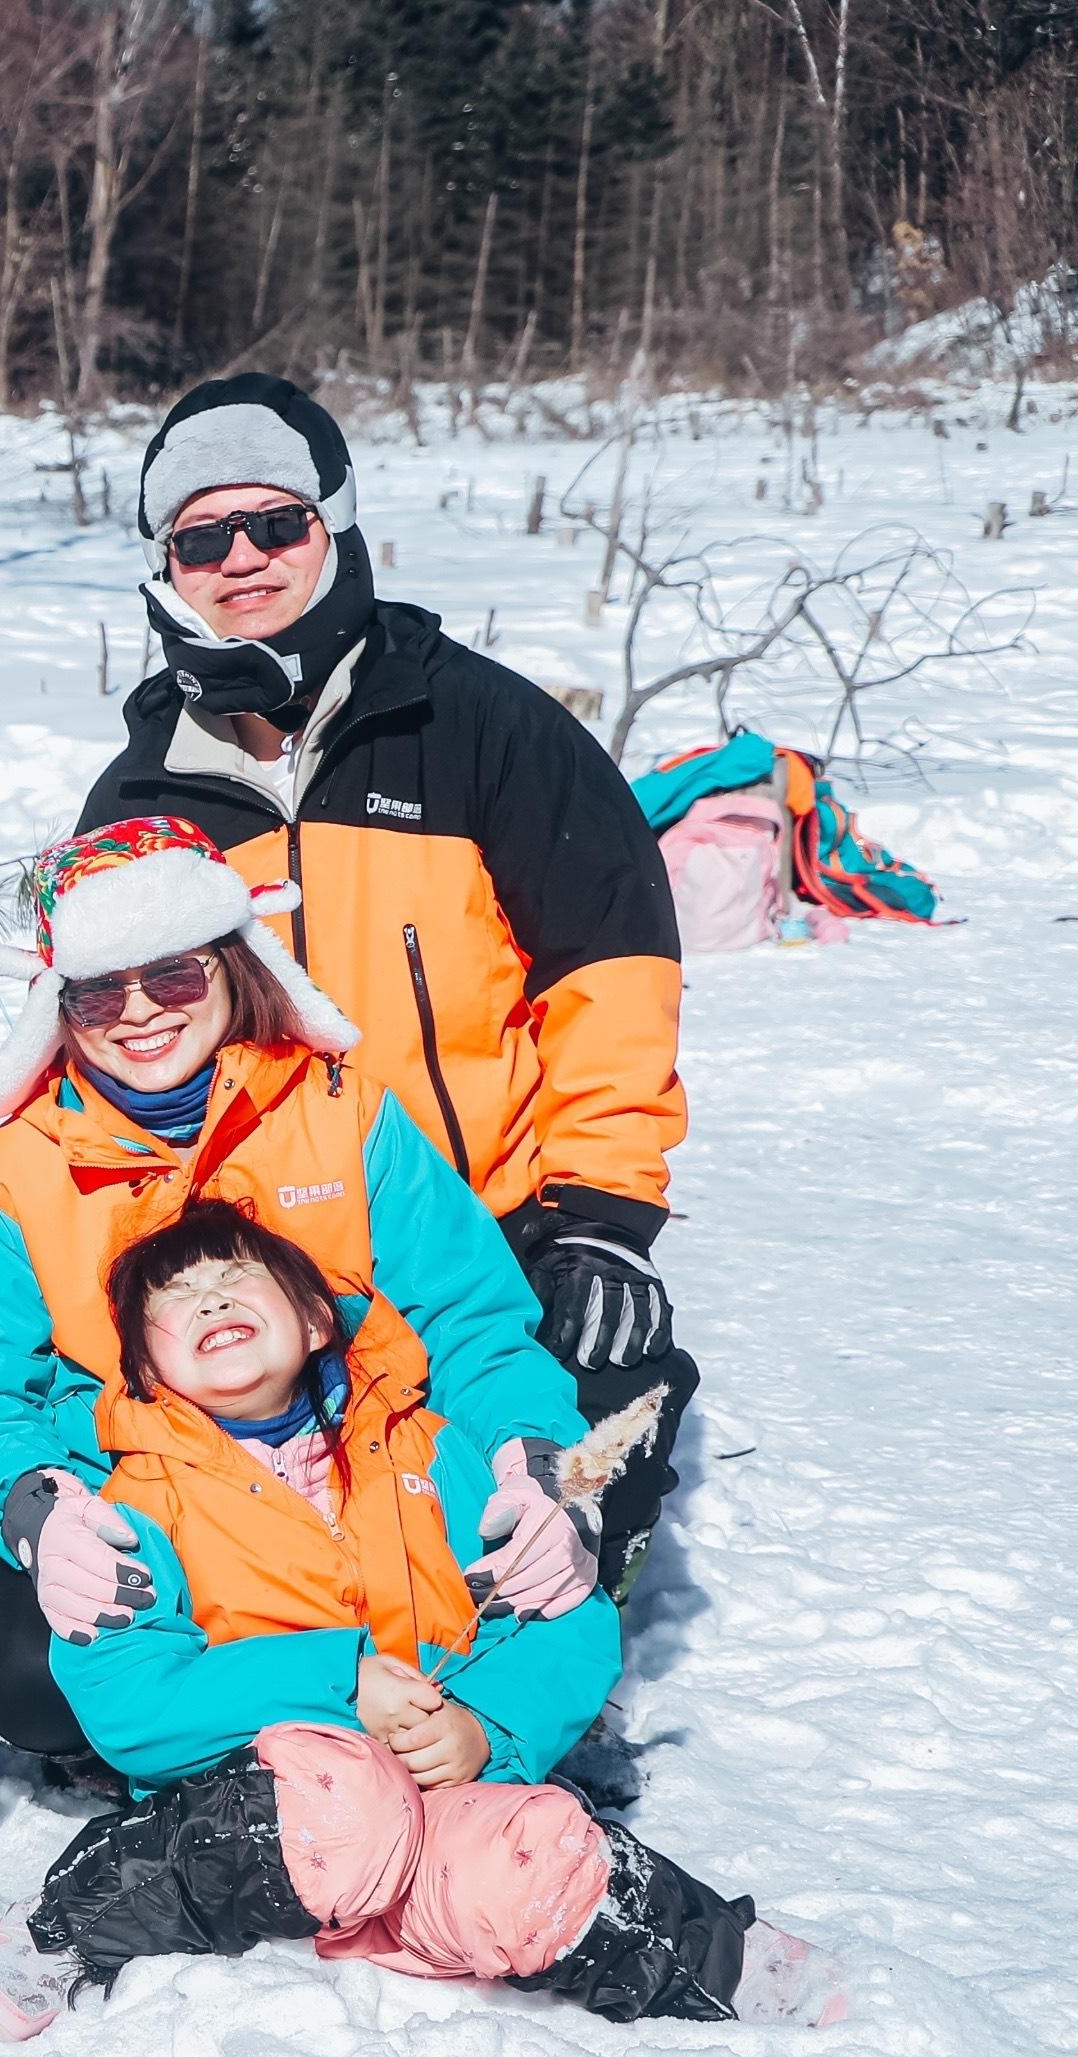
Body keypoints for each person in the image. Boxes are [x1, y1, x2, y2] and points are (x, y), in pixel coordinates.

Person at [85, 373, 697, 1585]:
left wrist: (603, 1222)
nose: (242, 557)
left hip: (500, 1229)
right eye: (202, 536)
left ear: (335, 524)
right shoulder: (143, 796)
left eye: (277, 522)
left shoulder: (480, 727)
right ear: (167, 562)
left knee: (542, 1513)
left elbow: (610, 974)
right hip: (272, 1260)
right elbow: (113, 1047)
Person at [0, 1204, 839, 2037]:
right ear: (146, 1368)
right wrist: (338, 1685)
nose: (211, 1299)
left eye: (237, 1277)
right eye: (174, 1300)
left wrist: (488, 1728)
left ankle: (705, 1954)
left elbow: (560, 1613)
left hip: (450, 1778)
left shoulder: (436, 1451)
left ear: (314, 1320)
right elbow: (129, 1694)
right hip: (271, 1797)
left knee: (521, 1860)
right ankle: (78, 1918)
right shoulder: (132, 1501)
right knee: (346, 1811)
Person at [0, 816, 597, 1794]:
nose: (138, 1012)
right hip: (147, 1491)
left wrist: (527, 1458)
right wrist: (39, 1509)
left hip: (359, 1463)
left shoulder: (342, 1111)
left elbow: (469, 1314)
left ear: (233, 966)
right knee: (28, 1680)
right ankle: (274, 1730)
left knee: (537, 1574)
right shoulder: (12, 1176)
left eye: (174, 975)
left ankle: (424, 1726)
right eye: (101, 988)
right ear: (59, 1005)